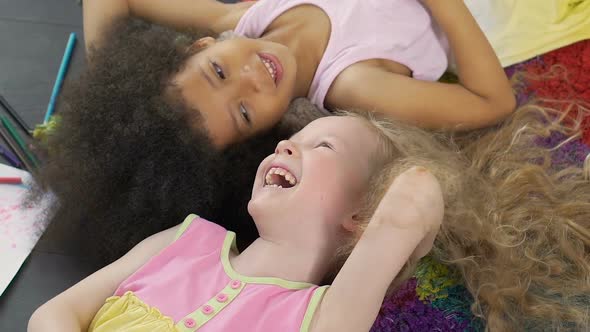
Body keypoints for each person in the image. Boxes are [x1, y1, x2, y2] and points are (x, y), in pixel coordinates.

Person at [30, 106, 590, 330]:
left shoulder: (322, 317)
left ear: (362, 215)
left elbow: (413, 202)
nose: (286, 145)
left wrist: (409, 199)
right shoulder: (184, 240)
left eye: (322, 145)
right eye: (290, 138)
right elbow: (55, 315)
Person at [82, 0, 517, 147]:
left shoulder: (246, 17)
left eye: (218, 71)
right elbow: (492, 102)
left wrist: (105, 86)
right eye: (245, 113)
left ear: (203, 45)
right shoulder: (356, 82)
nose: (250, 80)